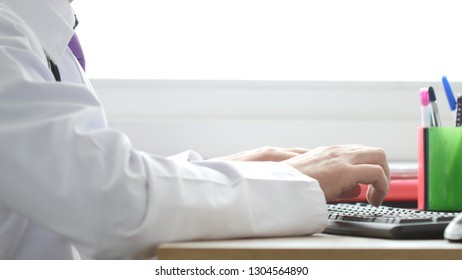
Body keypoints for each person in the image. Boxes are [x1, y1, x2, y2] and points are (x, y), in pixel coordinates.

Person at [0, 0, 389, 260]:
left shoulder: (43, 38)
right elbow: (112, 203)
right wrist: (287, 182)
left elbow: (63, 190)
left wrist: (222, 173)